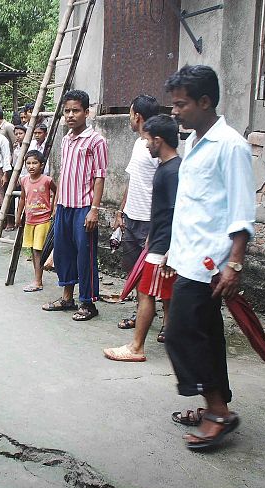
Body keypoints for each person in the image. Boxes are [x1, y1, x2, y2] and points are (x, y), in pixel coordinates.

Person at [162, 65, 255, 451]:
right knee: (206, 336)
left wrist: (234, 264)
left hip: (209, 264)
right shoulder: (196, 143)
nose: (175, 112)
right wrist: (173, 249)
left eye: (181, 104)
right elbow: (195, 209)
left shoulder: (231, 146)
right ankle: (215, 404)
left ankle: (219, 412)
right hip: (189, 257)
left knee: (183, 335)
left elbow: (241, 210)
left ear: (205, 101)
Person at [104, 114, 180, 362]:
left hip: (164, 246)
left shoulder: (172, 172)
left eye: (148, 140)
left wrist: (169, 247)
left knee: (147, 292)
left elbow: (177, 212)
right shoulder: (166, 168)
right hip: (157, 241)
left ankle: (137, 347)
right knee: (156, 291)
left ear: (158, 140)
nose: (145, 144)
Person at [40, 90, 107, 322]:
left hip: (84, 208)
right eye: (67, 111)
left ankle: (88, 303)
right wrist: (57, 204)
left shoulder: (96, 141)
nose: (70, 115)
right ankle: (67, 298)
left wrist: (94, 209)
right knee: (64, 253)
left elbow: (100, 176)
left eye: (75, 110)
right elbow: (64, 173)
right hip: (65, 206)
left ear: (86, 112)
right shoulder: (66, 139)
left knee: (85, 256)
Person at [113, 95, 160, 330]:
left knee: (158, 274)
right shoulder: (137, 144)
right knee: (135, 272)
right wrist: (121, 211)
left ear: (137, 116)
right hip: (132, 219)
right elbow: (132, 181)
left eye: (130, 114)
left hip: (151, 222)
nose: (130, 119)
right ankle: (139, 314)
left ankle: (167, 325)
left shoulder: (157, 146)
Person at [16, 150, 56, 292]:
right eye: (28, 163)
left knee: (38, 250)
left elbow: (56, 192)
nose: (31, 166)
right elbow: (22, 198)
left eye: (35, 163)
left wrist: (53, 208)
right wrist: (18, 215)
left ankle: (38, 281)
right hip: (29, 220)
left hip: (43, 219)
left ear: (42, 165)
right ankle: (37, 278)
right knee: (33, 250)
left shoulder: (47, 180)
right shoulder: (24, 180)